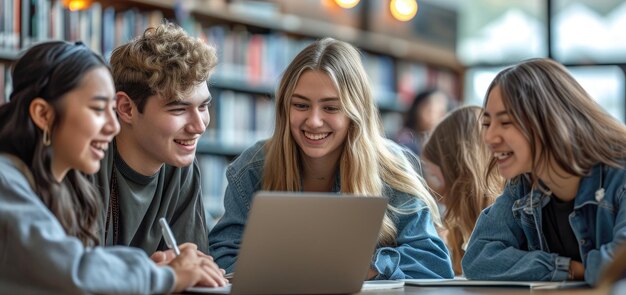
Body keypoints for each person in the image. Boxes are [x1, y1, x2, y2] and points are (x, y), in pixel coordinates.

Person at [208, 38, 454, 280]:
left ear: (355, 113)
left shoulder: (390, 167)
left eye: (331, 108)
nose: (314, 121)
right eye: (301, 106)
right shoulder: (253, 168)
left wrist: (366, 267)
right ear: (285, 108)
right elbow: (223, 257)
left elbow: (433, 262)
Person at [0, 41, 226, 295]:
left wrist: (165, 269)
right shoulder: (8, 178)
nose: (113, 126)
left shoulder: (49, 178)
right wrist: (166, 274)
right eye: (98, 109)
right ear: (43, 114)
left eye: (110, 110)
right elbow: (72, 270)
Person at [462, 58, 626, 286]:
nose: (489, 138)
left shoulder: (619, 172)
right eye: (487, 124)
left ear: (553, 120)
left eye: (506, 122)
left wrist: (582, 269)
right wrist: (566, 268)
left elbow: (619, 266)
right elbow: (479, 257)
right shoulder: (524, 183)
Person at [92, 22, 217, 256]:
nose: (199, 126)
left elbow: (191, 265)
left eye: (204, 106)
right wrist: (157, 272)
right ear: (126, 108)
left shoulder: (181, 166)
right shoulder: (88, 161)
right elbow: (76, 272)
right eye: (179, 109)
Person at [421, 105, 503, 275]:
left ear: (460, 174)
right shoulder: (458, 233)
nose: (435, 194)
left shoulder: (509, 221)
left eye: (436, 178)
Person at [396, 88, 450, 156]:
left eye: (441, 112)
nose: (434, 116)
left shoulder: (445, 144)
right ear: (416, 109)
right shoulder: (405, 139)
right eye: (430, 110)